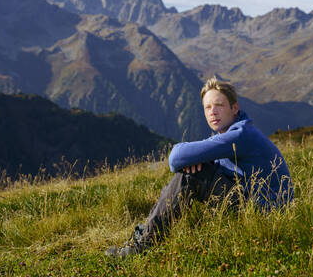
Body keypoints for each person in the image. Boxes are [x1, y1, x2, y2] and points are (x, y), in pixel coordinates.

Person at [105, 76, 293, 258]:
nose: (213, 112)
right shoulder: (230, 133)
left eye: (219, 105)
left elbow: (175, 158)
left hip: (265, 215)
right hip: (257, 206)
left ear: (234, 108)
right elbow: (188, 159)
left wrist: (194, 164)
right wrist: (197, 163)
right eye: (207, 107)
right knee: (192, 170)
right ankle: (147, 233)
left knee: (189, 176)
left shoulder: (240, 135)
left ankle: (145, 243)